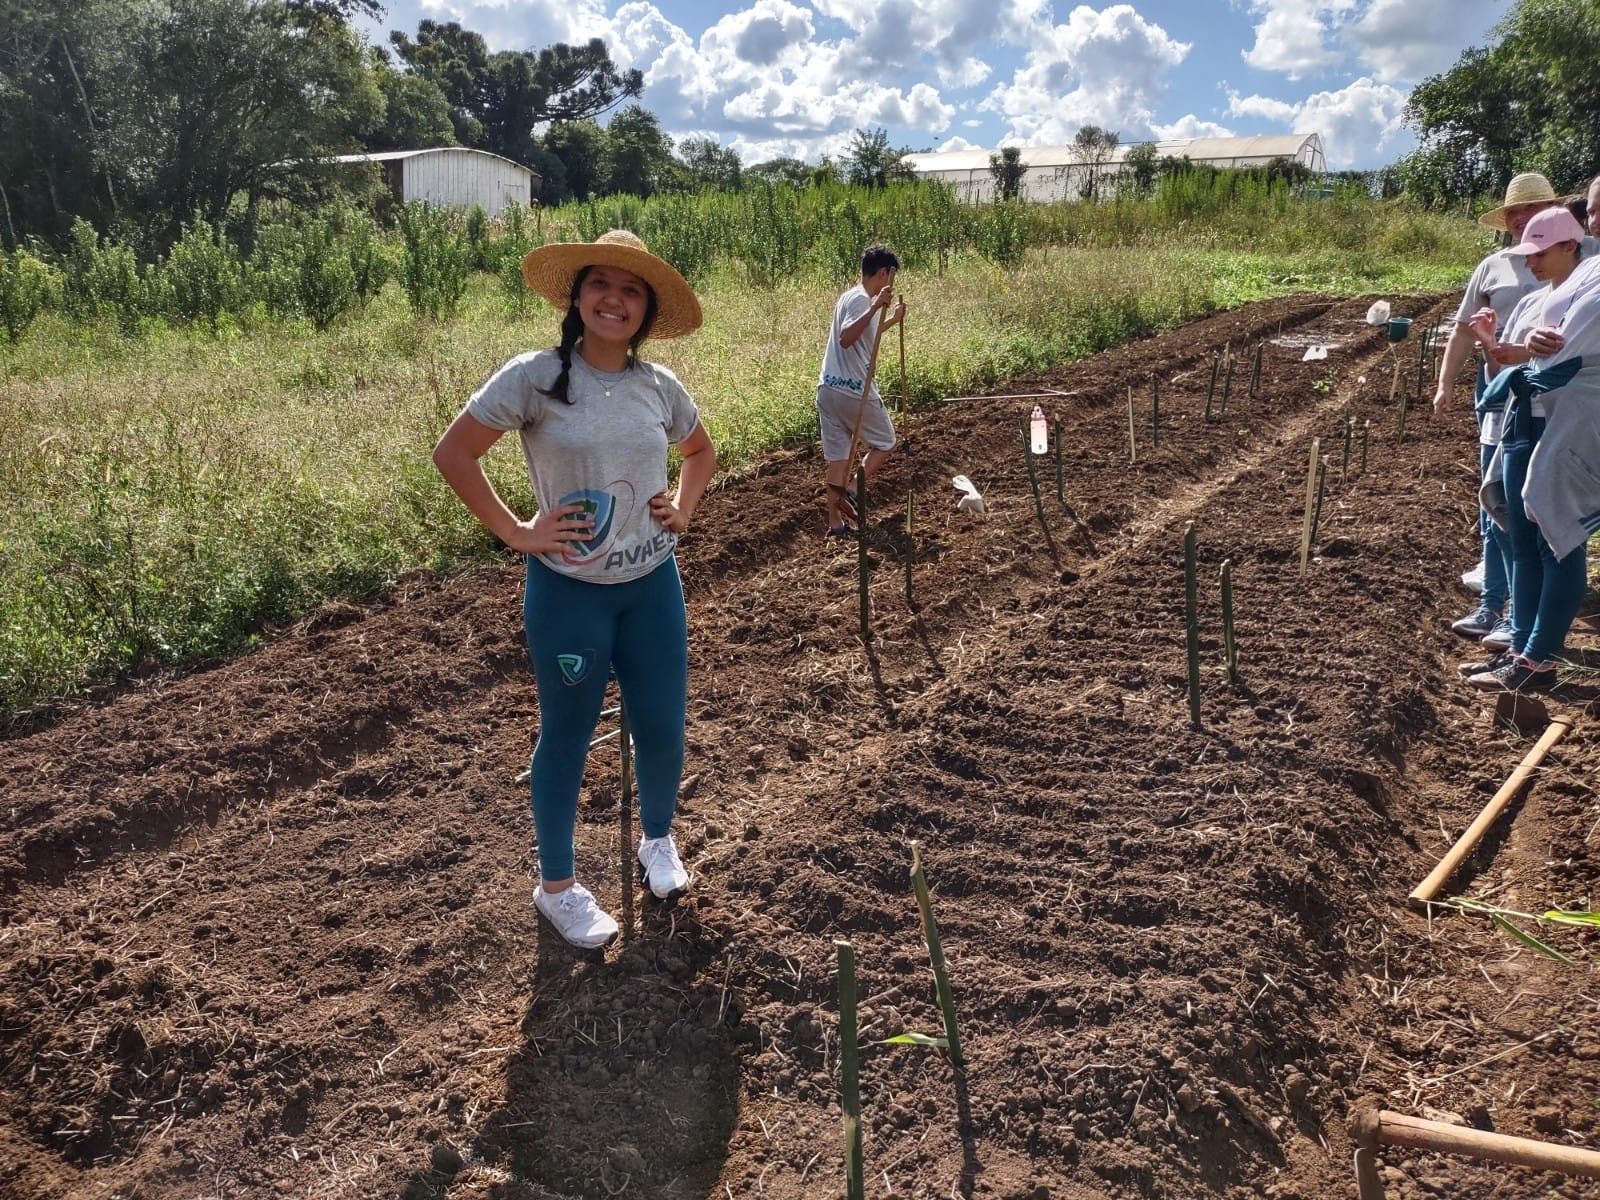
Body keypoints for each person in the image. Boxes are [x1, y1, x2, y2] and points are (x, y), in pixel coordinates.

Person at [432, 230, 715, 949]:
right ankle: (556, 887)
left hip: (652, 584)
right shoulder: (534, 376)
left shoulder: (660, 386)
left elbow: (701, 451)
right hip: (570, 593)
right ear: (577, 296)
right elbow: (454, 452)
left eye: (631, 290)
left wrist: (683, 507)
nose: (613, 300)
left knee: (662, 725)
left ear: (646, 309)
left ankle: (657, 840)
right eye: (600, 285)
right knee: (566, 735)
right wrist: (517, 532)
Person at [1459, 206, 1596, 692]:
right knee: (1521, 539)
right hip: (1523, 421)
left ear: (1568, 247)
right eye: (1527, 253)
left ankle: (1537, 661)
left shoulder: (1589, 287)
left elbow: (1562, 363)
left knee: (1555, 540)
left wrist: (1526, 360)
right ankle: (1519, 650)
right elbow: (1511, 365)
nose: (1531, 262)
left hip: (1562, 427)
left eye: (1540, 252)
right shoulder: (1543, 297)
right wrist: (1497, 344)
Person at [1432, 173, 1562, 648]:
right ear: (1505, 220)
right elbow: (1466, 331)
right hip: (1498, 400)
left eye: (1534, 208)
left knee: (1533, 510)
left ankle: (1526, 617)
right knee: (1494, 503)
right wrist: (1445, 384)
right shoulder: (1493, 267)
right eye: (1514, 212)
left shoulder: (1574, 262)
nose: (1522, 218)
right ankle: (1494, 602)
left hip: (1553, 403)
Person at [816, 245, 907, 536]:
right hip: (852, 390)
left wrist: (890, 318)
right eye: (891, 276)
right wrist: (877, 306)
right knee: (887, 442)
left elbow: (863, 334)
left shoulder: (850, 297)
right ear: (884, 273)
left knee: (838, 459)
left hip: (828, 389)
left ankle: (835, 524)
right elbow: (846, 337)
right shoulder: (861, 300)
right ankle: (853, 488)